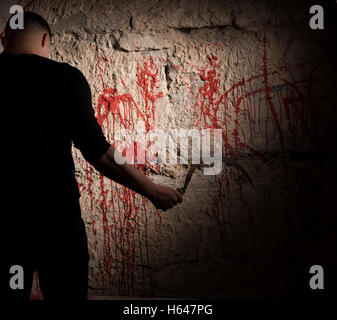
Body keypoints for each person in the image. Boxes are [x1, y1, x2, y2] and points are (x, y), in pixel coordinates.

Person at [0, 11, 183, 301]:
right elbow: (99, 151)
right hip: (56, 225)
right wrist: (152, 189)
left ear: (3, 39)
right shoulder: (63, 78)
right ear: (46, 39)